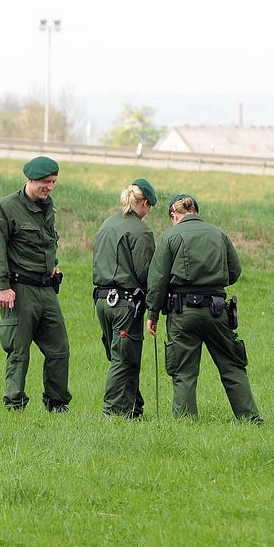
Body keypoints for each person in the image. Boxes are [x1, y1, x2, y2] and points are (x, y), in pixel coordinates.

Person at [145, 194, 262, 422]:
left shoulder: (170, 237)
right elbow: (235, 271)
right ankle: (251, 420)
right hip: (217, 310)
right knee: (232, 366)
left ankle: (186, 424)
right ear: (196, 211)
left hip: (182, 313)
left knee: (184, 372)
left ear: (173, 215)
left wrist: (153, 314)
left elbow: (157, 280)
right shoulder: (219, 235)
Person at [0, 156, 71, 412]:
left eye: (53, 182)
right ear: (30, 180)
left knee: (60, 349)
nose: (50, 187)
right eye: (45, 182)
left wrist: (52, 264)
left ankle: (57, 404)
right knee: (18, 350)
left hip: (46, 289)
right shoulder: (8, 207)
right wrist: (2, 286)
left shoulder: (48, 206)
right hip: (20, 289)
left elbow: (46, 242)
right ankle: (14, 404)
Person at [92, 179, 157, 419]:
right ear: (145, 203)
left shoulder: (108, 223)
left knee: (121, 356)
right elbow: (146, 273)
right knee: (123, 360)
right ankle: (111, 414)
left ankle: (133, 410)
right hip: (124, 303)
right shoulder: (141, 231)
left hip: (101, 300)